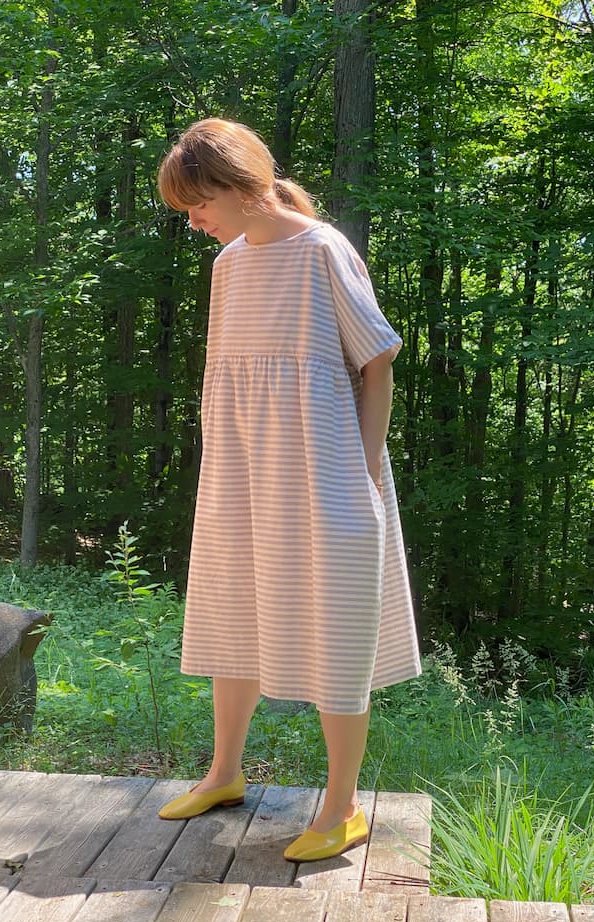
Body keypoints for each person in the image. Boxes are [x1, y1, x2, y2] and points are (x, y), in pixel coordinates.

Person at [156, 118, 421, 862]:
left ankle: (341, 808)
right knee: (230, 612)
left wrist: (363, 476)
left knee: (338, 631)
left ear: (237, 187)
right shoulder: (229, 266)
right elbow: (231, 384)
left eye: (196, 204)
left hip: (329, 470)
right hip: (243, 472)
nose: (193, 220)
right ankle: (224, 773)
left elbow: (377, 366)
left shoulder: (322, 249)